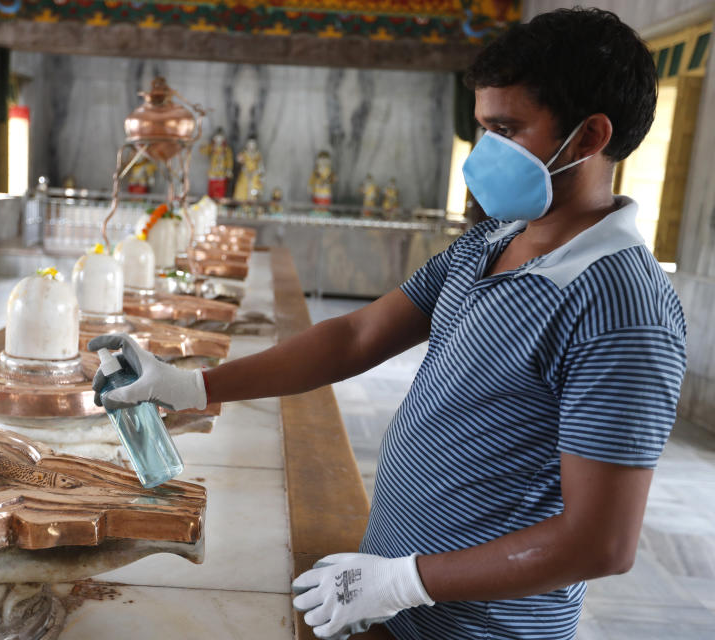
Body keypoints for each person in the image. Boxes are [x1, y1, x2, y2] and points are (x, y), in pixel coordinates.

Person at [88, 7, 686, 639]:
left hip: (479, 626)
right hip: (395, 593)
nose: (487, 153)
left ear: (590, 137)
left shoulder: (622, 310)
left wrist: (407, 581)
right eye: (483, 129)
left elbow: (601, 542)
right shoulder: (492, 242)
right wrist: (191, 387)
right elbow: (356, 335)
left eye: (507, 130)